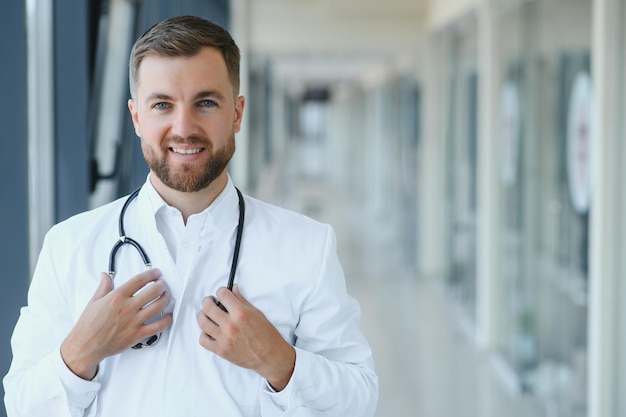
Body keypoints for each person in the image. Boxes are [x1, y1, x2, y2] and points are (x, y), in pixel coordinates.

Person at [3, 15, 378, 417]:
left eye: (205, 102)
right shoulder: (69, 245)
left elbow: (359, 400)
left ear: (236, 113)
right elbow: (23, 405)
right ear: (136, 118)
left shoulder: (307, 246)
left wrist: (278, 361)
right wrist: (82, 350)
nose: (183, 128)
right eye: (162, 104)